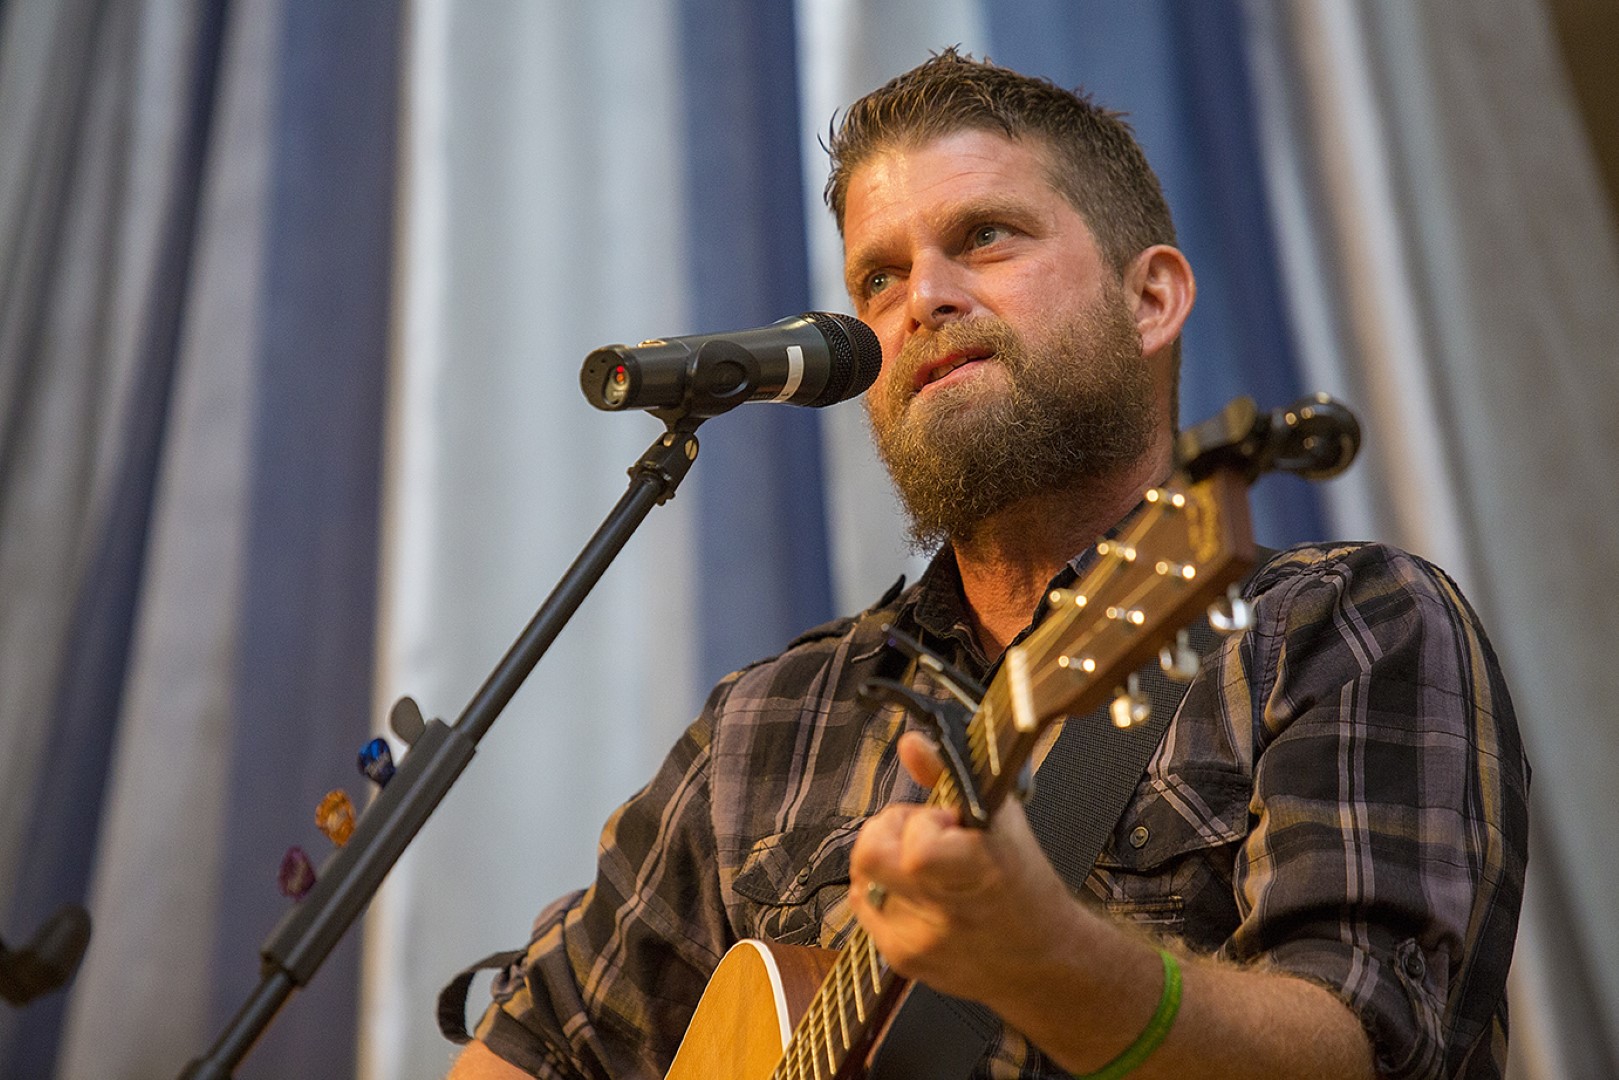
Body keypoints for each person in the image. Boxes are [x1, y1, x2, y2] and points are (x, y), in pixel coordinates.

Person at [446, 50, 1528, 1079]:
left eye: (986, 237)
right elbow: (529, 1050)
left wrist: (1053, 961)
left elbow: (1365, 1049)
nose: (923, 299)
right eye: (877, 277)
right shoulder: (762, 729)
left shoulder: (1337, 627)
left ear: (1149, 297)